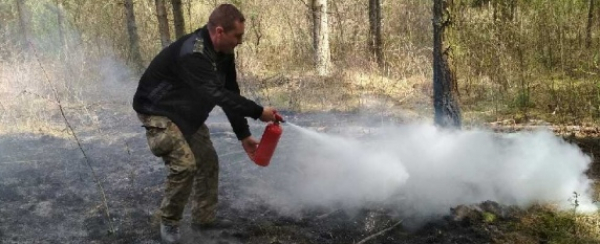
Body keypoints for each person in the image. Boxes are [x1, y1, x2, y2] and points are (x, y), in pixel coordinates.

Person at [132, 4, 278, 243]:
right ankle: (168, 224)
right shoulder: (193, 54)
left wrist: (243, 135)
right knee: (185, 165)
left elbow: (230, 91)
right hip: (158, 110)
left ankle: (203, 220)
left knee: (208, 161)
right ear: (220, 32)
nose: (240, 41)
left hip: (185, 111)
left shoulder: (224, 53)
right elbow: (216, 94)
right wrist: (258, 111)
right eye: (237, 36)